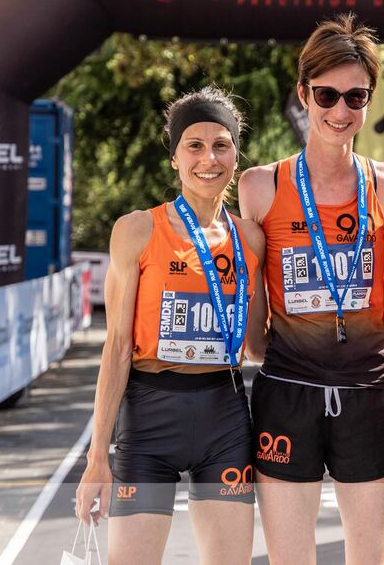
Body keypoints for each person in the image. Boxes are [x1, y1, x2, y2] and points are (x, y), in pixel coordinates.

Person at [237, 13, 384, 564]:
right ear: (303, 94)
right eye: (327, 95)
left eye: (356, 97)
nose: (340, 111)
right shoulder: (261, 185)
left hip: (370, 390)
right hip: (288, 389)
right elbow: (253, 309)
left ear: (369, 100)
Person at [74, 88, 267, 565]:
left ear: (236, 155)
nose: (209, 159)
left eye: (221, 145)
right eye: (194, 146)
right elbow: (117, 347)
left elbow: (258, 346)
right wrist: (97, 458)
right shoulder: (137, 229)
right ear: (175, 157)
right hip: (149, 419)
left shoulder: (250, 238)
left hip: (224, 416)